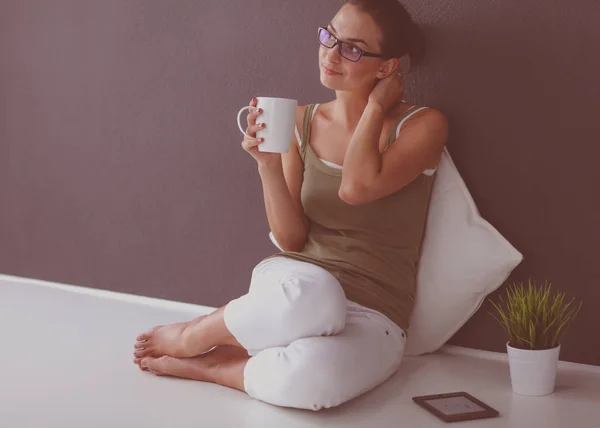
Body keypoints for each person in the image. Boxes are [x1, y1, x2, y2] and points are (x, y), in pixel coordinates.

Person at [133, 0, 448, 411]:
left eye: (352, 48)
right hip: (298, 287)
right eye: (329, 36)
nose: (330, 54)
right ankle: (191, 336)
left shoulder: (424, 125)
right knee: (318, 299)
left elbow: (356, 187)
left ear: (386, 68)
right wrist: (267, 163)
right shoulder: (300, 121)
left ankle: (211, 368)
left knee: (313, 384)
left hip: (376, 315)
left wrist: (373, 108)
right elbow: (292, 238)